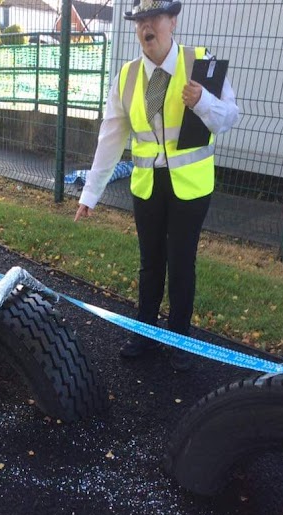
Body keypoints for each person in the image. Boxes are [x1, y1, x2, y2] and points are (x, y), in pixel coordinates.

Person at [74, 0, 239, 371]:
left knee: (182, 262)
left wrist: (204, 102)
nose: (145, 27)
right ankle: (145, 331)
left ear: (172, 22)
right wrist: (91, 194)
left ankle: (179, 338)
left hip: (191, 186)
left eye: (154, 19)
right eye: (139, 20)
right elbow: (110, 138)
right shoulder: (128, 76)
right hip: (147, 186)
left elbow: (231, 116)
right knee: (150, 263)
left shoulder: (201, 63)